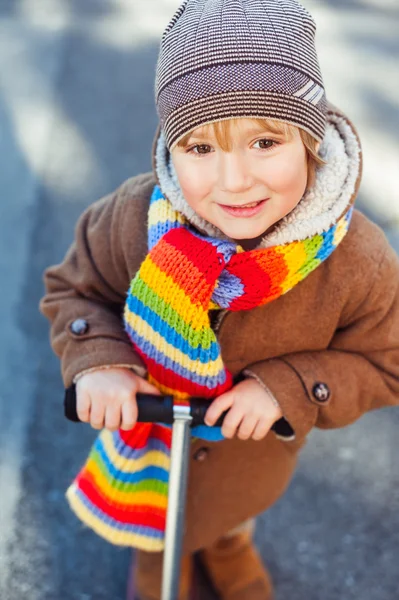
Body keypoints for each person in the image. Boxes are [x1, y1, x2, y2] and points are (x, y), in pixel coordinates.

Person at [39, 0, 399, 598]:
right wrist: (99, 360)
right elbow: (74, 289)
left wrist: (287, 386)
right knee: (158, 537)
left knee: (232, 512)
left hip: (249, 463)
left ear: (310, 140)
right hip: (148, 444)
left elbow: (386, 362)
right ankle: (159, 555)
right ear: (171, 148)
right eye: (201, 148)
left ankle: (230, 541)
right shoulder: (132, 217)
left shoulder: (355, 258)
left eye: (264, 141)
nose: (234, 182)